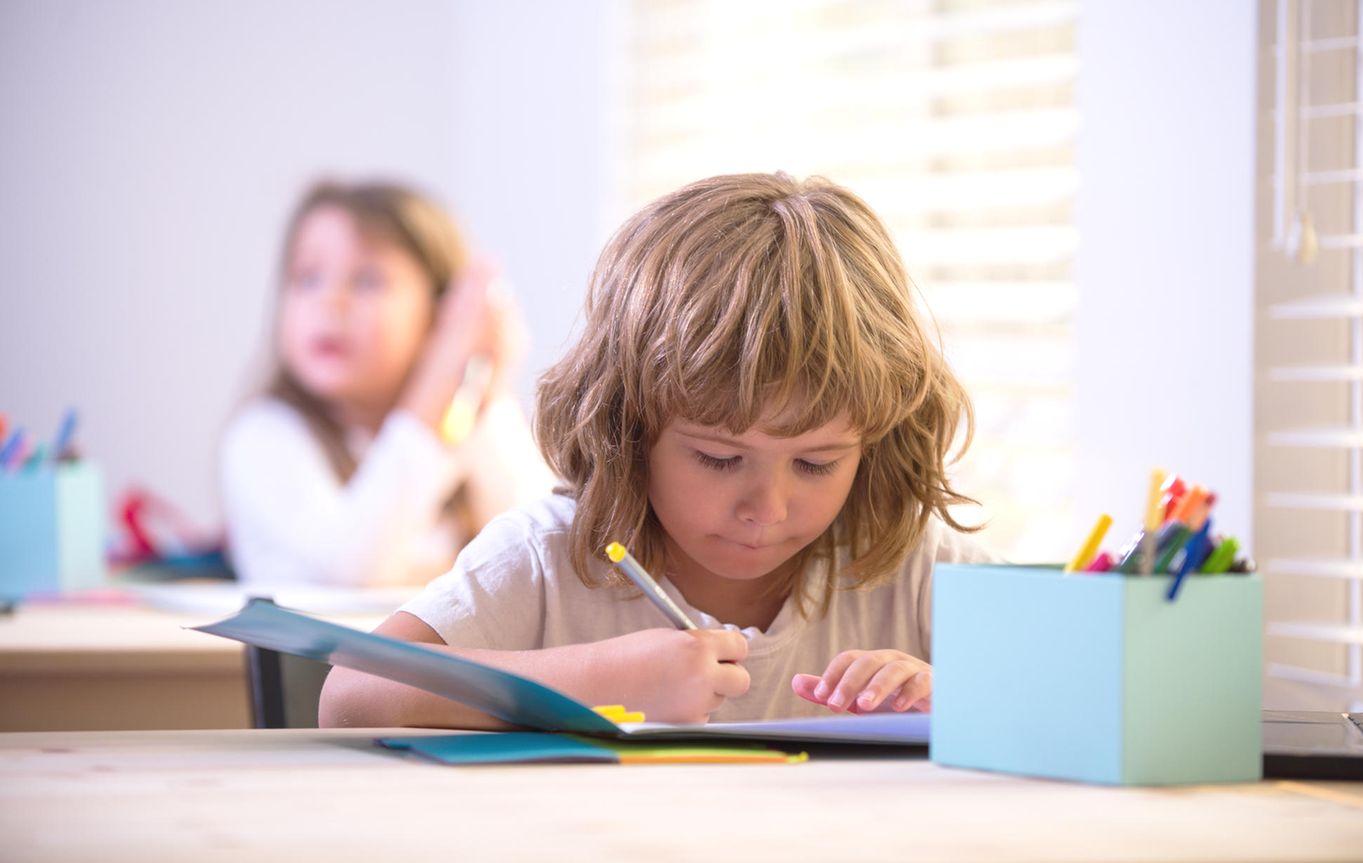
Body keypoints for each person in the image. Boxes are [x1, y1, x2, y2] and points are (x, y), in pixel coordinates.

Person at [319, 171, 990, 728]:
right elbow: (352, 693)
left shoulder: (912, 562)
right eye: (719, 458)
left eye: (816, 463)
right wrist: (601, 680)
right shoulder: (550, 561)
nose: (768, 507)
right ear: (626, 426)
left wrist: (960, 699)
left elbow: (1084, 691)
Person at [220, 180, 554, 587]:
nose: (331, 302)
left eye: (366, 281)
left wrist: (483, 387)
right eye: (307, 278)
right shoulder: (263, 436)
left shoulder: (465, 427)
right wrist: (432, 392)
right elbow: (353, 574)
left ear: (441, 313)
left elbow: (548, 557)